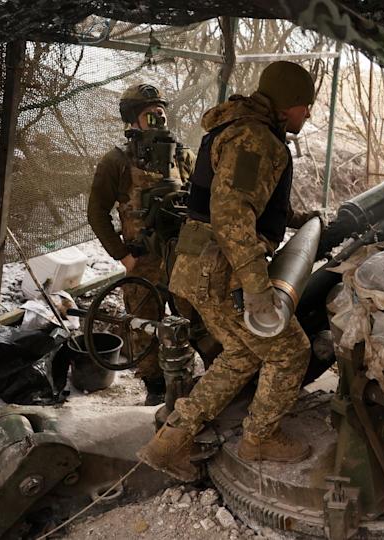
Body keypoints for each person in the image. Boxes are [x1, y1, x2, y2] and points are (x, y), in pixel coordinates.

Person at [137, 61, 320, 481]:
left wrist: (299, 219)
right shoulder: (255, 138)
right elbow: (233, 213)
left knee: (240, 353)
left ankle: (168, 443)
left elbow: (245, 201)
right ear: (288, 103)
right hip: (221, 269)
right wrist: (257, 289)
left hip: (198, 265)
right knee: (290, 350)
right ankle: (259, 438)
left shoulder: (240, 127)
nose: (307, 113)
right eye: (304, 105)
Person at [87, 84, 195, 406]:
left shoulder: (182, 155)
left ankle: (190, 381)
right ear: (133, 119)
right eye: (150, 112)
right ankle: (156, 390)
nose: (159, 116)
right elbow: (96, 213)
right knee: (144, 327)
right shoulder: (116, 162)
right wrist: (122, 256)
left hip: (181, 257)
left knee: (193, 319)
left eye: (161, 109)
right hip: (142, 261)